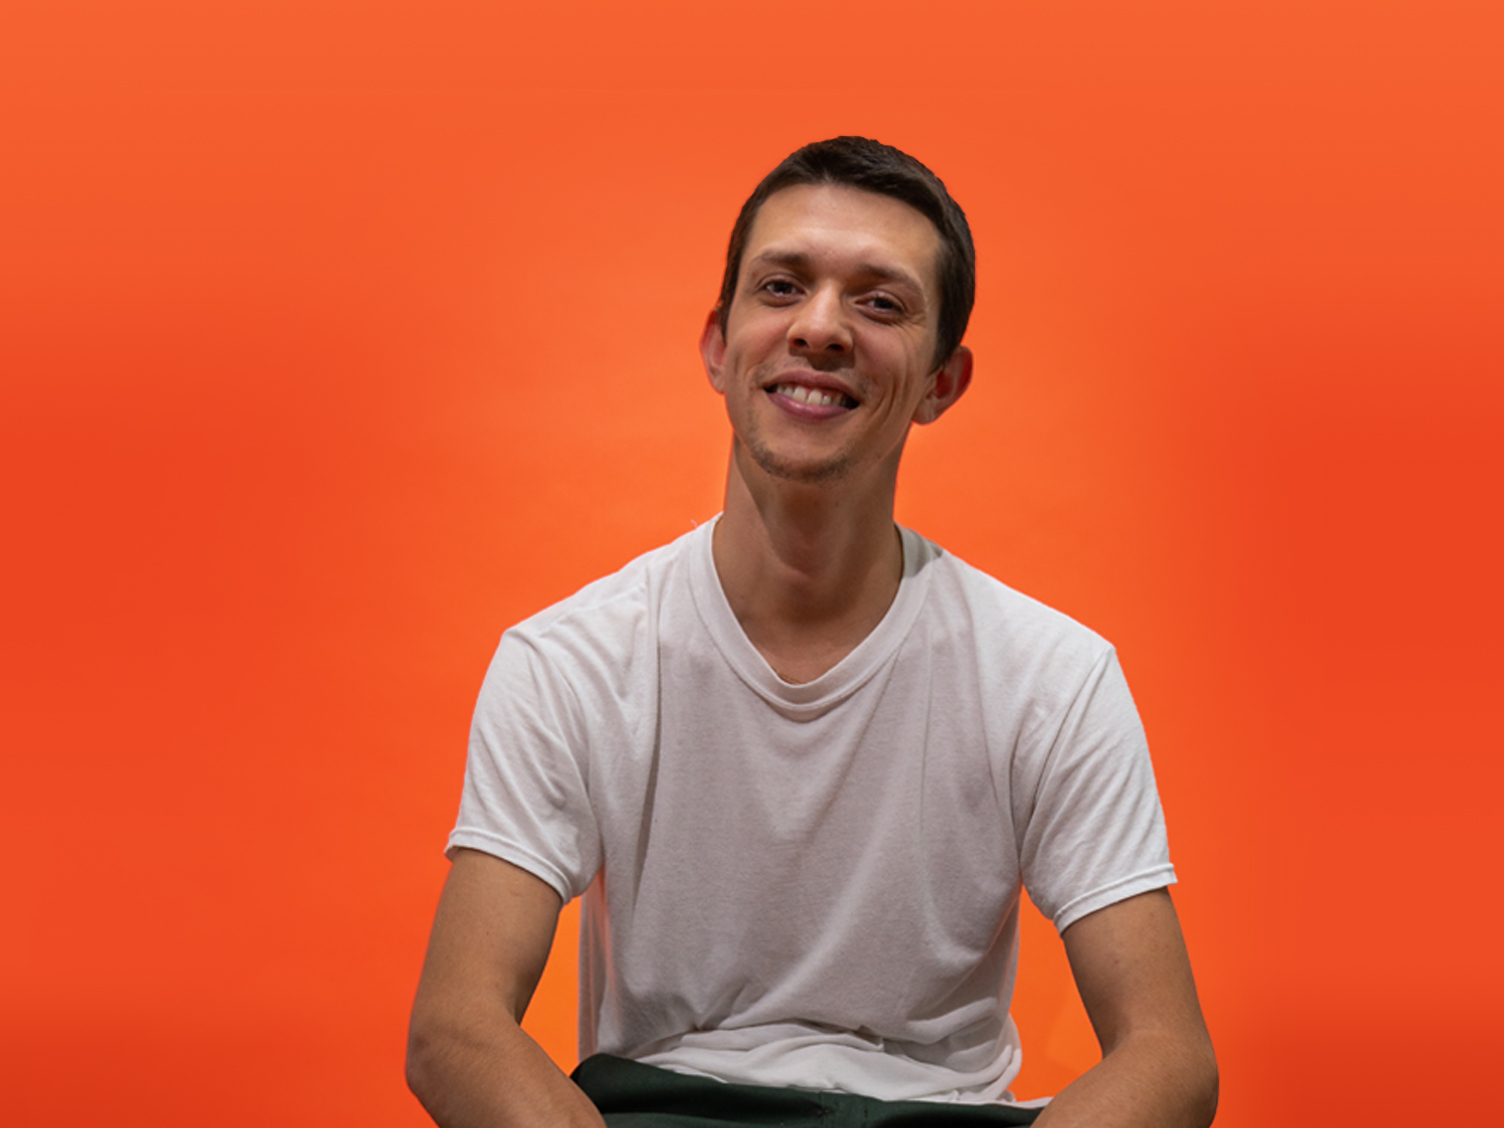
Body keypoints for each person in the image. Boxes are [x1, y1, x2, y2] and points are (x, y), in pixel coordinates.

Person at [406, 137, 1218, 1127]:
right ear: (719, 343)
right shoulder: (570, 663)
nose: (821, 328)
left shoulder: (1052, 676)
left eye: (880, 302)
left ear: (941, 383)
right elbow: (455, 1026)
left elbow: (1168, 1052)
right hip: (665, 1113)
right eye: (782, 286)